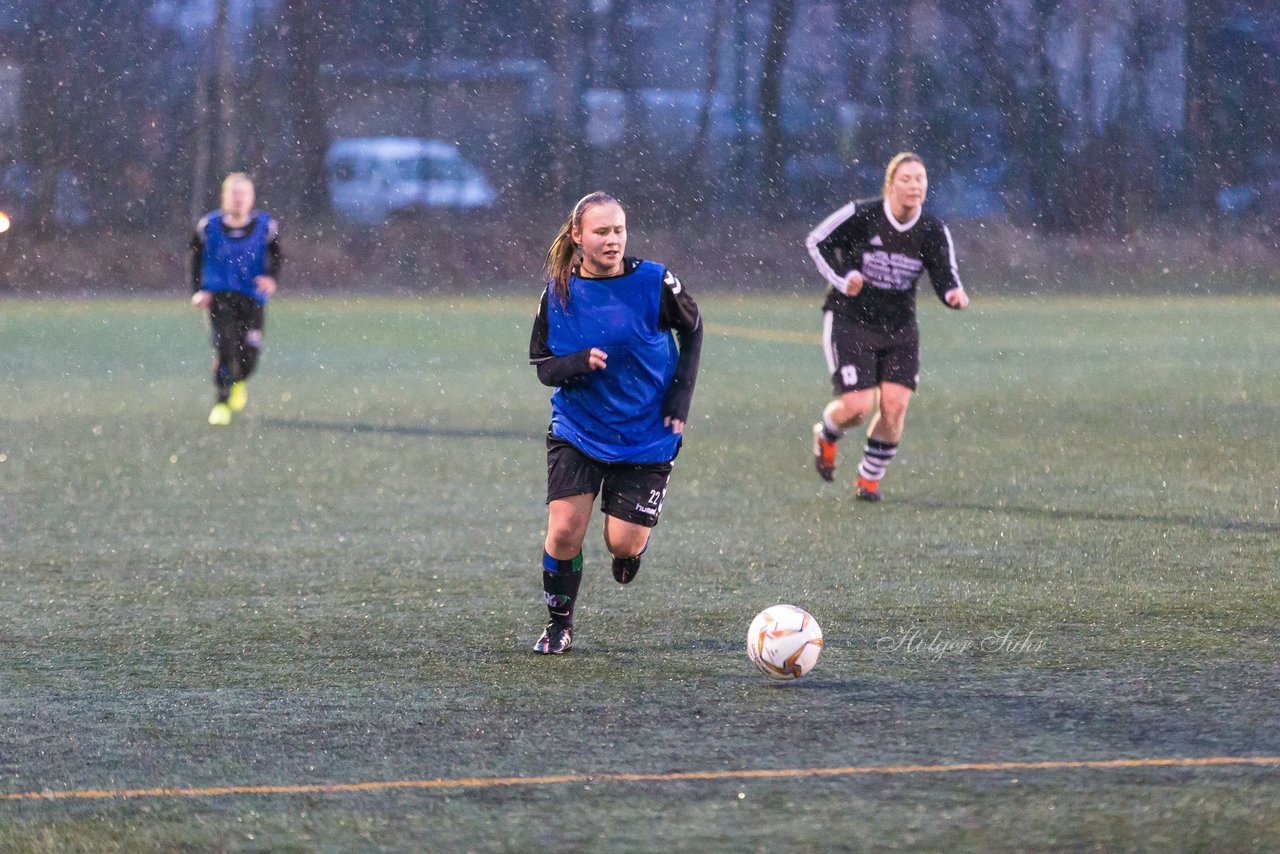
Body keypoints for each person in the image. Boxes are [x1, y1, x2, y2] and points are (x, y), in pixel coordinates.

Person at [528, 192, 703, 654]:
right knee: (565, 530)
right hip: (579, 429)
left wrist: (681, 394)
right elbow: (545, 366)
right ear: (578, 237)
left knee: (622, 544)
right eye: (602, 232)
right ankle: (560, 624)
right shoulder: (558, 293)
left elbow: (694, 327)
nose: (613, 240)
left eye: (619, 230)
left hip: (646, 434)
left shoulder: (655, 281)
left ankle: (630, 553)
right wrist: (578, 362)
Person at [805, 152, 969, 501]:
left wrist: (952, 292)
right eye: (906, 179)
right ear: (890, 185)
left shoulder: (932, 229)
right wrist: (843, 275)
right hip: (851, 320)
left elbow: (944, 272)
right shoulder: (863, 215)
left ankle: (868, 480)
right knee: (858, 407)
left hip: (899, 327)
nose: (913, 186)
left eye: (920, 179)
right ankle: (829, 432)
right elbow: (816, 241)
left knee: (894, 406)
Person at [189, 173, 282, 425]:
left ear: (251, 198)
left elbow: (276, 257)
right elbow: (196, 259)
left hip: (252, 299)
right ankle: (221, 402)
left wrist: (271, 279)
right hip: (219, 298)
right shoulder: (208, 227)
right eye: (235, 194)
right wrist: (198, 290)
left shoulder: (266, 227)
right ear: (225, 197)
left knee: (249, 357)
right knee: (226, 348)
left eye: (244, 194)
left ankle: (239, 381)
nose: (239, 199)